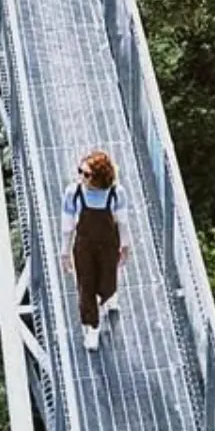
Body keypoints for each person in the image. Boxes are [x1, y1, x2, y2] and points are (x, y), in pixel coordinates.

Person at [60, 149, 129, 352]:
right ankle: (93, 327)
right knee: (86, 286)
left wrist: (125, 245)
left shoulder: (116, 193)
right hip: (85, 246)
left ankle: (108, 295)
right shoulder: (74, 193)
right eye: (80, 171)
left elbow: (122, 221)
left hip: (108, 243)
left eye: (86, 174)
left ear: (100, 177)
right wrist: (64, 252)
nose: (81, 176)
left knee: (108, 279)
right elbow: (67, 224)